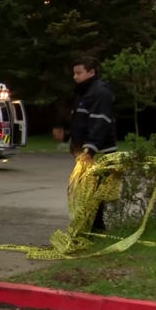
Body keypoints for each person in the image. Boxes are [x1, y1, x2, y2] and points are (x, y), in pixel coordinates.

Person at [55, 58, 117, 233]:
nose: (75, 77)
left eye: (79, 73)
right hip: (85, 153)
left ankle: (96, 230)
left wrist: (90, 150)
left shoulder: (100, 92)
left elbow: (100, 123)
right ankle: (89, 229)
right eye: (74, 73)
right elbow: (83, 125)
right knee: (85, 192)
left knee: (94, 193)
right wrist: (67, 136)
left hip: (98, 153)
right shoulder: (84, 93)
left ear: (91, 72)